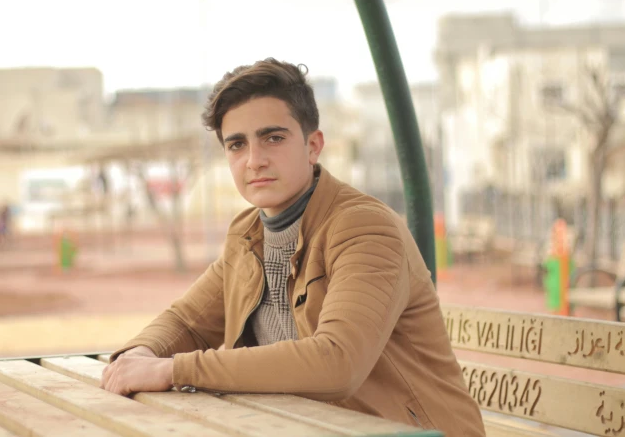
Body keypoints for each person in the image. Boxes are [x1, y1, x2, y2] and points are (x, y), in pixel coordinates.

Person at [101, 59, 484, 436]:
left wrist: (173, 370)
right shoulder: (248, 235)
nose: (254, 160)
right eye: (237, 145)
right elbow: (187, 322)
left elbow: (337, 361)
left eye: (273, 137)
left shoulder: (365, 228)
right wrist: (141, 354)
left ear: (313, 145)